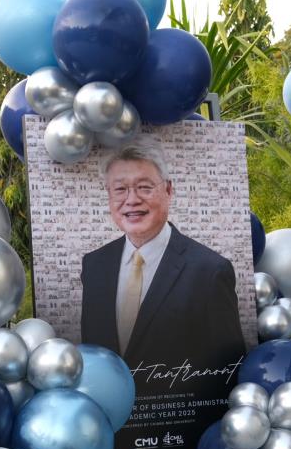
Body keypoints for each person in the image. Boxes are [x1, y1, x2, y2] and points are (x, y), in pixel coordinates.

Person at [80, 137, 246, 398]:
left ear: (168, 190)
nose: (132, 200)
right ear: (109, 195)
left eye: (144, 187)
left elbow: (227, 374)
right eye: (120, 189)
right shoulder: (94, 266)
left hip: (179, 418)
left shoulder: (210, 271)